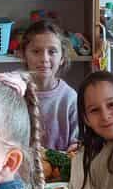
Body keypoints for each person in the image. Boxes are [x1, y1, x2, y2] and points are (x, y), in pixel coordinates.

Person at [20, 19, 79, 151]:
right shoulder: (16, 93)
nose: (44, 59)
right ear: (24, 55)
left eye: (52, 52)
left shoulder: (70, 98)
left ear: (62, 58)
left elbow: (77, 143)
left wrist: (75, 148)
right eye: (36, 51)